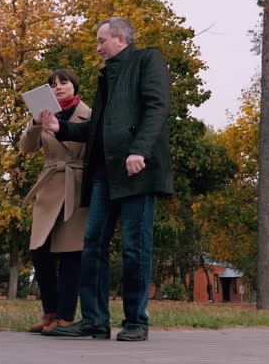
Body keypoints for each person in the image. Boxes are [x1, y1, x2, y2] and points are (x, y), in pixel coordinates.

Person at [39, 17, 172, 342]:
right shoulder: (106, 77)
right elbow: (95, 128)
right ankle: (95, 320)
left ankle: (136, 321)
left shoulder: (147, 60)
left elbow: (157, 108)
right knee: (93, 246)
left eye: (102, 41)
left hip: (136, 171)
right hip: (103, 173)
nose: (98, 48)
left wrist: (139, 150)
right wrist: (61, 128)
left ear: (121, 38)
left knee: (134, 248)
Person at [20, 69, 91, 335]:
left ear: (75, 85)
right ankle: (49, 311)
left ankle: (65, 316)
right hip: (49, 185)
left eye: (63, 82)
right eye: (52, 84)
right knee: (40, 249)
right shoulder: (44, 113)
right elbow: (26, 148)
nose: (58, 87)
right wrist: (36, 123)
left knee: (71, 253)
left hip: (76, 185)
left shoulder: (89, 114)